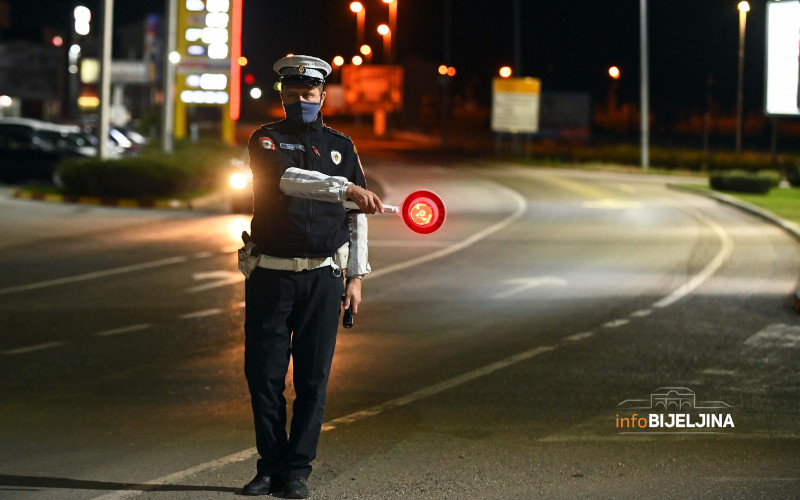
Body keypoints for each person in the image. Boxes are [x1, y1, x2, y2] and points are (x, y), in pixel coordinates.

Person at [240, 55, 384, 499]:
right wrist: (345, 188)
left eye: (309, 94)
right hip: (271, 273)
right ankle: (270, 466)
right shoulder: (265, 141)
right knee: (263, 376)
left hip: (323, 278)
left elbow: (357, 216)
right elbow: (288, 180)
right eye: (292, 94)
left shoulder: (342, 145)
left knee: (313, 380)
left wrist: (356, 277)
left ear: (323, 96)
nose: (300, 100)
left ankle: (297, 470)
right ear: (281, 95)